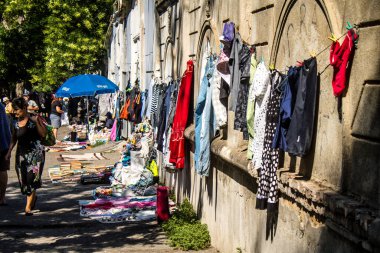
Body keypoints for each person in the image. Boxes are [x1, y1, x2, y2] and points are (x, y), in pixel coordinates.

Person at [5, 97, 47, 215]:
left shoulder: (34, 119)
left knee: (31, 180)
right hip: (21, 155)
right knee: (23, 181)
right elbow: (13, 139)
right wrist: (9, 152)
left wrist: (37, 121)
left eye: (17, 110)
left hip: (35, 155)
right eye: (14, 110)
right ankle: (32, 198)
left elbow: (43, 134)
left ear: (24, 108)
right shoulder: (16, 123)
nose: (15, 112)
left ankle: (27, 207)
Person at [0, 102, 11, 205]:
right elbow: (6, 127)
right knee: (3, 170)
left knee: (3, 170)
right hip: (3, 143)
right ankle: (2, 198)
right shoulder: (1, 106)